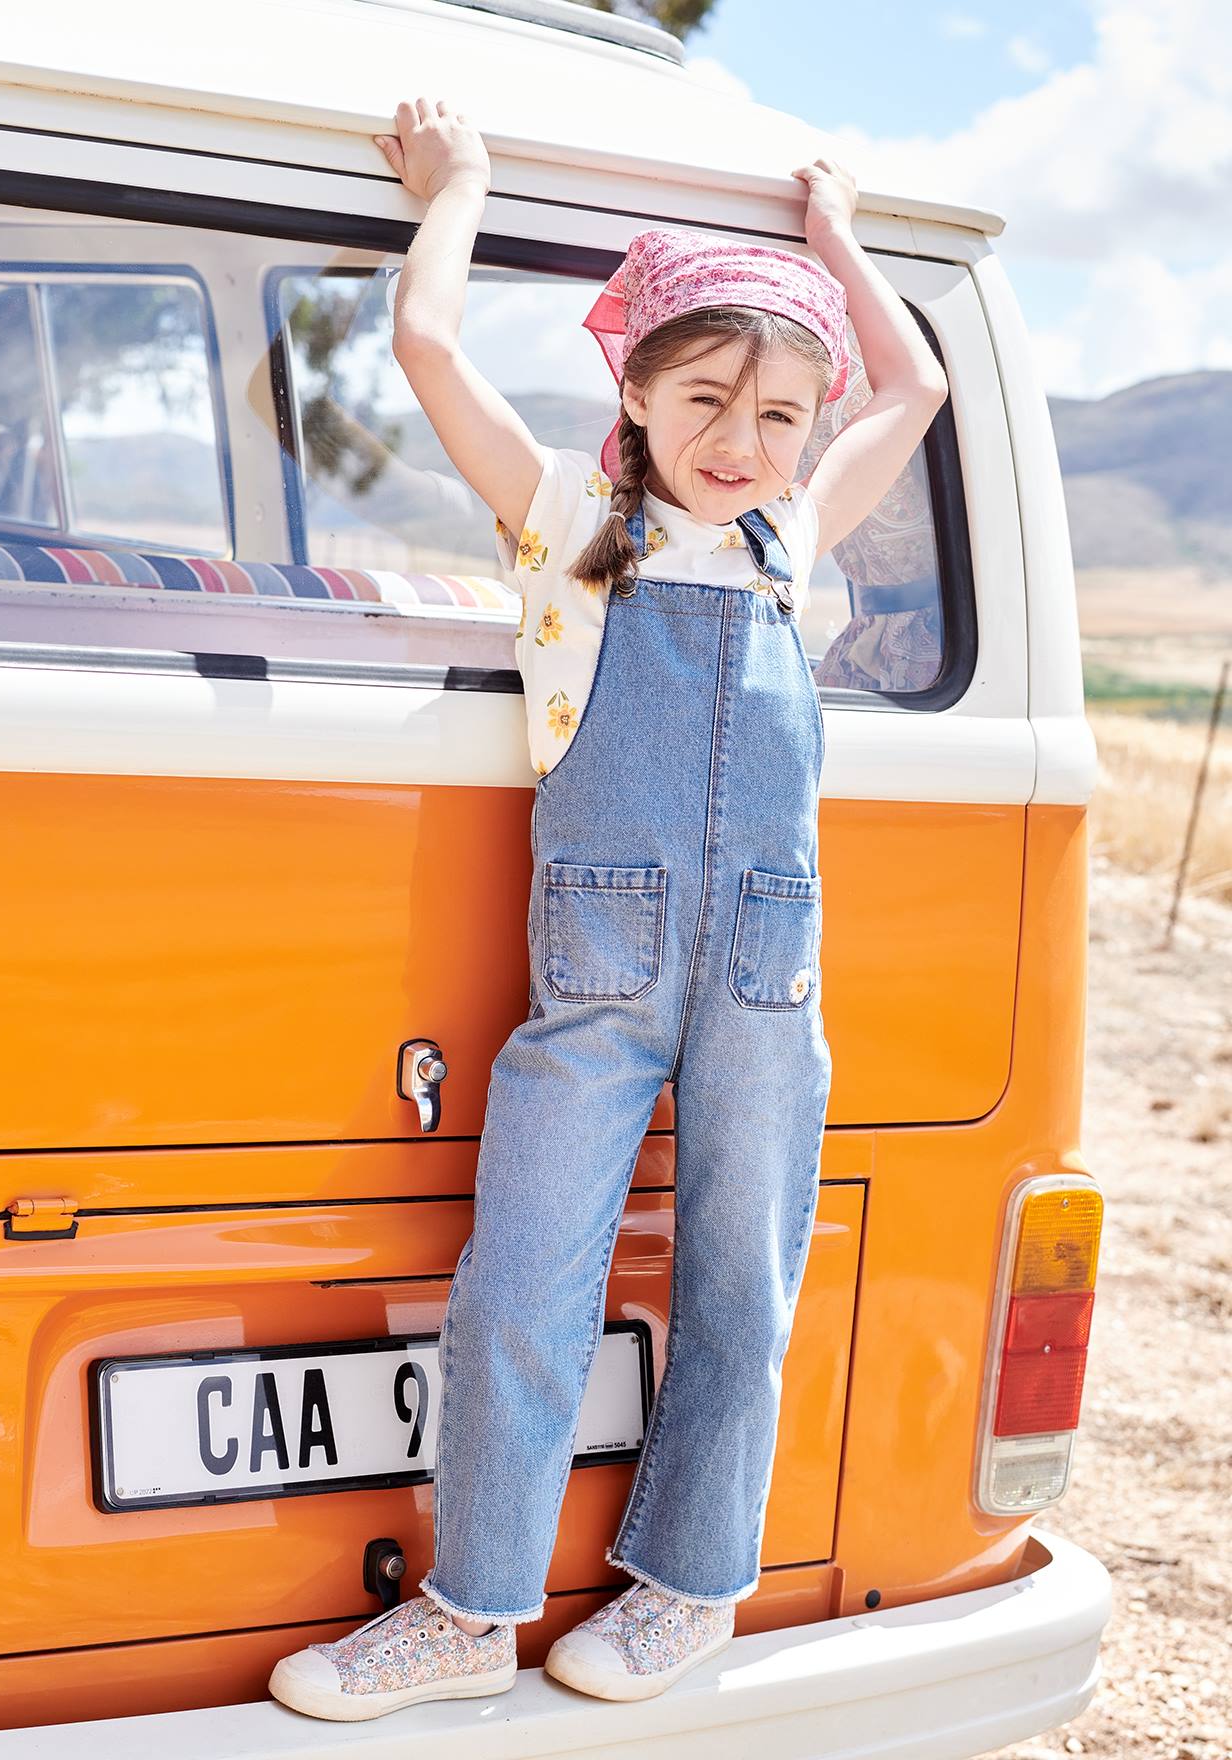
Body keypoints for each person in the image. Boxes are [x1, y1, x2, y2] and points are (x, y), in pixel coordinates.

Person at [269, 95, 948, 1725]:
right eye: (706, 396)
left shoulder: (796, 541)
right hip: (600, 980)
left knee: (742, 1279)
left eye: (782, 412)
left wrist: (834, 231)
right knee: (523, 1283)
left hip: (771, 987)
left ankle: (690, 1587)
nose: (748, 440)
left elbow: (913, 383)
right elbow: (429, 344)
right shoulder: (569, 536)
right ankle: (467, 1612)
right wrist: (467, 185)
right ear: (632, 393)